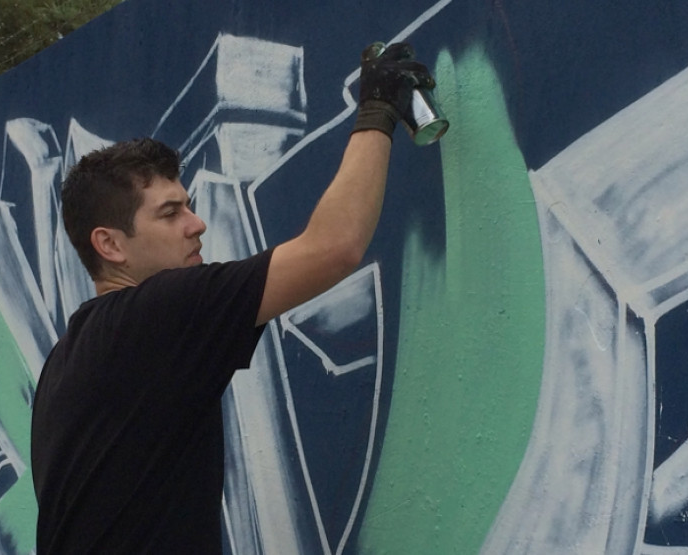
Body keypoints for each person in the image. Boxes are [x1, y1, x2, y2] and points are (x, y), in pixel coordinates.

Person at [30, 42, 436, 553]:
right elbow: (335, 247)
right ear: (110, 245)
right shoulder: (154, 316)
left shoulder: (69, 357)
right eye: (170, 213)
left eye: (190, 208)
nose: (197, 225)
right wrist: (378, 109)